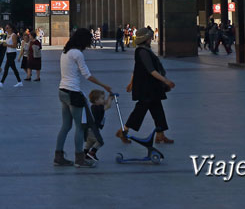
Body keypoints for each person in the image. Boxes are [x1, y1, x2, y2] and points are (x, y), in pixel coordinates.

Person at [55, 28, 112, 167]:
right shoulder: (77, 54)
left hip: (62, 91)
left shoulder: (65, 52)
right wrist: (104, 85)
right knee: (80, 127)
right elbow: (87, 75)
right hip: (73, 93)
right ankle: (80, 159)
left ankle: (58, 156)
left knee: (65, 126)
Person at [117, 27, 176, 145]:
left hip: (150, 87)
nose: (151, 38)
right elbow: (151, 70)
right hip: (146, 87)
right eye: (149, 37)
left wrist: (131, 83)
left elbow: (136, 69)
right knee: (140, 110)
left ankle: (160, 135)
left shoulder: (144, 50)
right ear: (146, 39)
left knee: (157, 110)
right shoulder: (142, 52)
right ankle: (123, 131)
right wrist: (165, 81)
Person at [83, 89, 114, 161]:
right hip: (93, 129)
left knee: (90, 142)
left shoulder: (94, 106)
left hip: (89, 128)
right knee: (100, 141)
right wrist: (110, 98)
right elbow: (108, 106)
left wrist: (109, 97)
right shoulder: (98, 108)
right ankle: (91, 153)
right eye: (102, 98)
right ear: (96, 100)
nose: (104, 100)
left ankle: (85, 154)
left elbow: (105, 103)